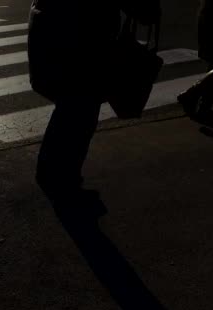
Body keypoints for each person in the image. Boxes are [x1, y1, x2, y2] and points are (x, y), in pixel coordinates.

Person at [28, 0, 158, 215]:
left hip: (53, 44)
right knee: (79, 116)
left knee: (69, 113)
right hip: (80, 51)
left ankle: (52, 176)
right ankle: (63, 185)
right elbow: (144, 11)